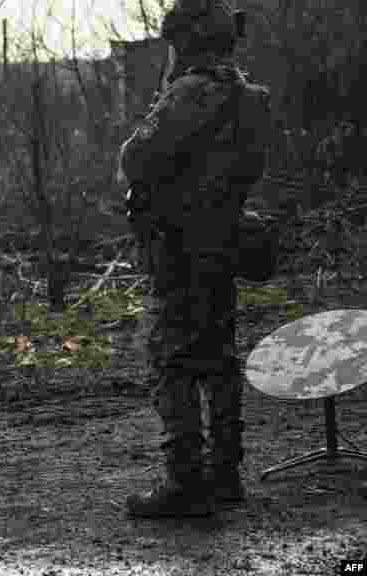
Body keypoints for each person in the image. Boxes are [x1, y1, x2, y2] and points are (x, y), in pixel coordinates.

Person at [117, 0, 273, 517]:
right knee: (220, 357)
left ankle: (185, 481)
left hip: (182, 246)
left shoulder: (189, 92)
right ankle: (226, 474)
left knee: (172, 360)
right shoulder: (247, 95)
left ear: (186, 41)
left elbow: (135, 159)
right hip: (224, 238)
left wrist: (168, 89)